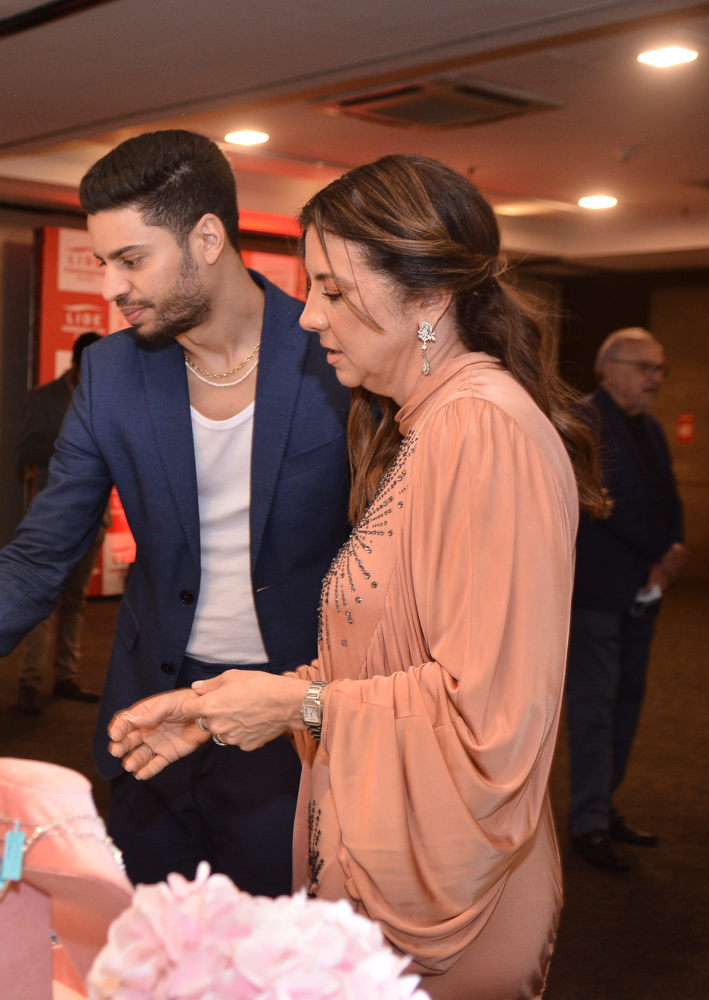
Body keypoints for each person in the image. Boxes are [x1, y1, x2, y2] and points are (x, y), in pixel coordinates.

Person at [106, 154, 609, 999]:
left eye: (334, 291)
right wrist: (235, 704)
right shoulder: (431, 425)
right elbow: (390, 662)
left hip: (448, 897)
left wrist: (297, 706)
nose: (307, 316)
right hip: (388, 859)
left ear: (428, 298)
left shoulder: (480, 431)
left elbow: (488, 715)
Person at [0, 130, 353, 897]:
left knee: (276, 945)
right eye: (103, 261)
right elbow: (39, 553)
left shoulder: (333, 356)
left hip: (290, 723)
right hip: (150, 720)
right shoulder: (111, 374)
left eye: (131, 259)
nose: (111, 286)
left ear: (207, 239)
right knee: (136, 937)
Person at [566, 328, 686, 871]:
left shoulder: (651, 428)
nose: (656, 378)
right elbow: (602, 500)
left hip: (645, 584)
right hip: (597, 588)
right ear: (608, 368)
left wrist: (675, 550)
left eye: (660, 368)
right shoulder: (582, 421)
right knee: (594, 706)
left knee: (628, 700)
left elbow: (669, 496)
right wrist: (663, 549)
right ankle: (588, 823)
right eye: (645, 367)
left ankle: (604, 804)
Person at [14, 330, 106, 714]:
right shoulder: (42, 399)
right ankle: (30, 681)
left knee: (75, 601)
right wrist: (70, 446)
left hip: (95, 516)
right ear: (76, 364)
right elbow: (24, 452)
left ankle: (66, 675)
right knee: (43, 599)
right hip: (52, 517)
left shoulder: (106, 397)